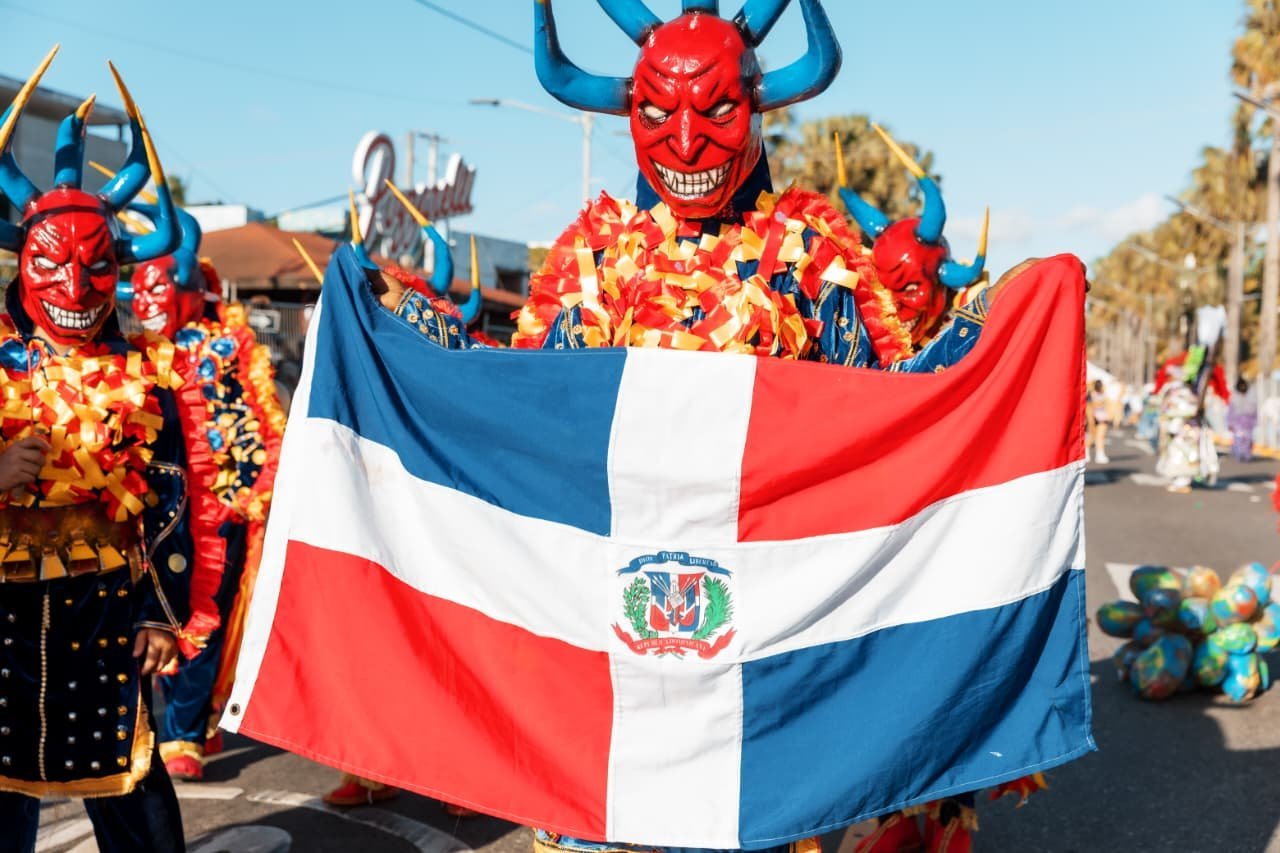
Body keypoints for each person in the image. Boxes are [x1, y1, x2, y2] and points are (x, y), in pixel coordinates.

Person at [363, 2, 1037, 850]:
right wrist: (414, 329)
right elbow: (523, 413)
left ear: (755, 106)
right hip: (616, 648)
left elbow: (894, 421)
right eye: (658, 112)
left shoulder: (811, 258)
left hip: (760, 649)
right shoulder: (596, 258)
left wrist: (988, 331)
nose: (685, 145)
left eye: (716, 110)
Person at [0, 48, 220, 853]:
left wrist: (161, 612)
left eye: (96, 265)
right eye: (52, 263)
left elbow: (172, 494)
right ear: (21, 263)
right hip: (3, 618)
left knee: (131, 787)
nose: (75, 287)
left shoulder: (145, 378)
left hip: (104, 612)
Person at [122, 203, 286, 782]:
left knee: (203, 615)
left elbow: (254, 425)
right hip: (149, 511)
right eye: (141, 287)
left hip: (216, 512)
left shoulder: (224, 349)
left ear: (193, 291)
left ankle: (185, 732)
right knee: (150, 614)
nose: (148, 299)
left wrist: (245, 496)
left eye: (161, 286)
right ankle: (173, 724)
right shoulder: (131, 353)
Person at [1227, 377, 1257, 462]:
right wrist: (1230, 423)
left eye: (1243, 385)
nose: (1242, 387)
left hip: (1248, 423)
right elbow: (1230, 412)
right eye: (1241, 386)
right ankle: (1240, 455)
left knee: (1248, 440)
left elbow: (1255, 411)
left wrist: (1255, 422)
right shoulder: (1234, 398)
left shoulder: (1251, 397)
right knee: (1239, 439)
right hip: (1237, 423)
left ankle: (1247, 455)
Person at [1088, 379, 1111, 464]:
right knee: (1091, 436)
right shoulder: (1091, 394)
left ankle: (1099, 454)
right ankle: (1088, 452)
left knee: (1100, 437)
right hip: (1092, 417)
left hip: (1101, 417)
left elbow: (1107, 404)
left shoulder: (1103, 394)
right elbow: (1090, 405)